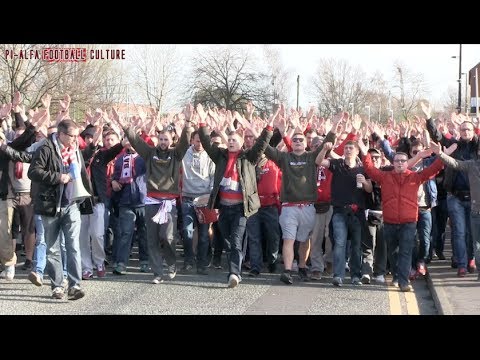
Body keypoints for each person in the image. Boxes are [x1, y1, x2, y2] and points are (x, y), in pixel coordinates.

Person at [198, 105, 273, 288]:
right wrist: (201, 122)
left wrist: (269, 127)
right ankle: (235, 266)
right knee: (228, 241)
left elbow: (262, 143)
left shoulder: (249, 158)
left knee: (237, 240)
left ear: (241, 143)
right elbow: (207, 143)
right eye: (229, 140)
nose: (231, 142)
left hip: (240, 208)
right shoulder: (220, 156)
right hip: (223, 207)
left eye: (234, 140)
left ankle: (234, 273)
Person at [359, 139, 444, 292]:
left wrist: (441, 155)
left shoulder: (416, 177)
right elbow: (370, 169)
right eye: (397, 161)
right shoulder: (385, 177)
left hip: (409, 222)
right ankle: (397, 276)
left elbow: (434, 169)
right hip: (389, 222)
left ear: (407, 163)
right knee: (392, 252)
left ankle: (403, 282)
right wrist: (365, 153)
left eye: (403, 161)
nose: (399, 163)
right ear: (393, 162)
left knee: (405, 252)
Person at [28, 119, 93, 300]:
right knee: (53, 249)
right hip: (50, 206)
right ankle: (57, 286)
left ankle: (74, 285)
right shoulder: (46, 148)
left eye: (76, 136)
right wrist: (59, 177)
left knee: (73, 246)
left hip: (71, 204)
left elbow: (81, 173)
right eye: (71, 136)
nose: (74, 139)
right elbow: (33, 172)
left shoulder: (75, 150)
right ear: (61, 134)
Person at [430, 141, 480, 280]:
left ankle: (472, 261)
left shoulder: (474, 144)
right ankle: (462, 264)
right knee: (461, 233)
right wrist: (440, 153)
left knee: (473, 238)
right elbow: (455, 164)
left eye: (468, 129)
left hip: (473, 204)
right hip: (461, 200)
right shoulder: (472, 165)